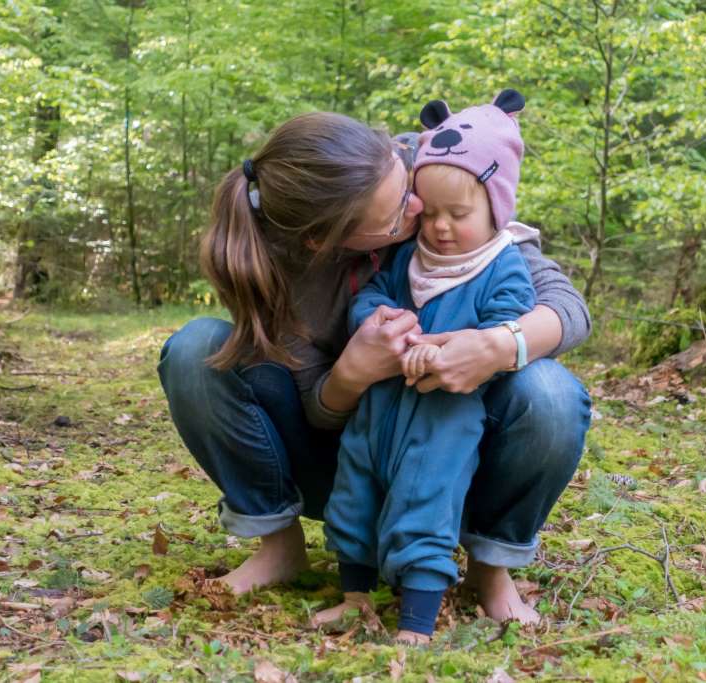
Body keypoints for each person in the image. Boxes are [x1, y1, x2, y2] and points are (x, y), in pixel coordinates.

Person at [157, 106, 592, 625]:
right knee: (194, 348)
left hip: (453, 444)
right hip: (350, 461)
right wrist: (351, 374)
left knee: (550, 391)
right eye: (397, 216)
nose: (418, 208)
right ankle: (279, 545)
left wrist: (495, 346)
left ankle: (491, 566)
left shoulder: (434, 166)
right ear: (327, 241)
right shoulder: (280, 263)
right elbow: (311, 409)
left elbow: (567, 308)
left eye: (405, 183)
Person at [314, 90, 554, 643]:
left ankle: (418, 618)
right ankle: (354, 595)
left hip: (443, 415)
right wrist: (378, 321)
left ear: (496, 205)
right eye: (432, 212)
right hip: (378, 411)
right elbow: (372, 293)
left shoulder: (502, 264)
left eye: (459, 214)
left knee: (427, 496)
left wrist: (461, 345)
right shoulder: (409, 257)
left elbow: (506, 319)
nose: (441, 227)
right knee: (354, 494)